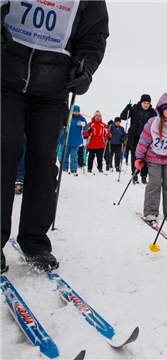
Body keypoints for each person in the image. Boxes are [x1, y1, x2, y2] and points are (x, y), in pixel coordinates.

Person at [1, 0, 109, 273]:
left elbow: (93, 34)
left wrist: (84, 67)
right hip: (5, 76)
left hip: (53, 87)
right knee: (5, 148)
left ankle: (35, 241)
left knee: (42, 157)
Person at [135, 93, 167, 224]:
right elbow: (144, 141)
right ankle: (151, 211)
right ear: (161, 109)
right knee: (154, 183)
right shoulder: (153, 123)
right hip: (153, 158)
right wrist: (139, 157)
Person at [121, 94, 157, 184]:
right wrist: (127, 109)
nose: (146, 105)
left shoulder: (152, 112)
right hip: (135, 137)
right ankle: (135, 174)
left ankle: (144, 175)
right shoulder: (134, 109)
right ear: (141, 102)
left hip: (147, 138)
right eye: (144, 103)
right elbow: (123, 117)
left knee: (146, 157)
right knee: (135, 156)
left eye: (148, 103)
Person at [59, 105, 87, 176]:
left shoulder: (81, 118)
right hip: (66, 139)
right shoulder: (68, 117)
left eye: (77, 111)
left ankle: (73, 168)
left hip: (76, 140)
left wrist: (84, 125)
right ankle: (64, 167)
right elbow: (61, 125)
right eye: (74, 111)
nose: (76, 113)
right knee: (65, 154)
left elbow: (86, 128)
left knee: (74, 155)